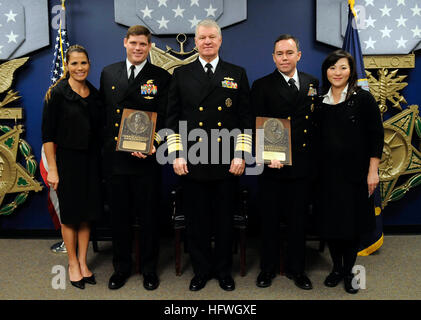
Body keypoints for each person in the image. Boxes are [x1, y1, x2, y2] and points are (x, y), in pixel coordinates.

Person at [166, 19, 253, 292]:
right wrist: (176, 154)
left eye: (212, 37)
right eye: (202, 37)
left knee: (225, 220)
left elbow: (245, 119)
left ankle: (223, 270)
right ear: (195, 41)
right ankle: (202, 270)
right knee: (197, 221)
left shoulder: (236, 73)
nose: (207, 42)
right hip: (192, 160)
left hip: (227, 161)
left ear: (220, 40)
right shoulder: (181, 74)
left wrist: (241, 154)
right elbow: (172, 118)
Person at [100, 25, 171, 291]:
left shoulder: (161, 77)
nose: (138, 48)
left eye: (143, 44)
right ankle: (122, 267)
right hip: (116, 160)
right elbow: (105, 117)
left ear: (150, 47)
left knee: (149, 216)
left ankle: (150, 269)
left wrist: (154, 143)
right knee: (119, 217)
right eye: (134, 43)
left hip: (147, 159)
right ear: (125, 43)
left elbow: (166, 117)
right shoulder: (108, 73)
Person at [251, 34, 319, 290]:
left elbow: (314, 125)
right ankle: (267, 269)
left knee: (298, 221)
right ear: (273, 57)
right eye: (279, 54)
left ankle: (297, 269)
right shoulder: (262, 85)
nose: (284, 58)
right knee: (269, 221)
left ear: (298, 55)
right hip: (272, 166)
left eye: (289, 53)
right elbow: (255, 124)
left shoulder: (313, 84)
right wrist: (269, 156)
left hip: (302, 166)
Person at [314, 49, 383, 294]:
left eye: (342, 67)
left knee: (351, 225)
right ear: (326, 71)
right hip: (326, 176)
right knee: (332, 224)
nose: (337, 72)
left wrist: (372, 171)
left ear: (351, 70)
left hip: (355, 176)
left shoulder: (363, 99)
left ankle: (349, 270)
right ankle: (336, 268)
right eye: (332, 68)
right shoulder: (319, 101)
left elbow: (377, 137)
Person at [42, 45, 103, 290]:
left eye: (84, 63)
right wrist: (53, 170)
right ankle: (72, 263)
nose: (79, 68)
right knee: (70, 215)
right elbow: (47, 136)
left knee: (87, 214)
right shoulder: (56, 94)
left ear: (89, 64)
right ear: (67, 66)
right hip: (67, 162)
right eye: (74, 63)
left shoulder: (95, 94)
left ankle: (83, 261)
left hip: (91, 162)